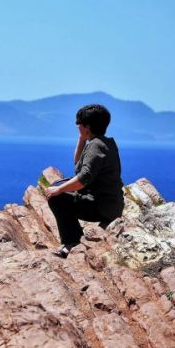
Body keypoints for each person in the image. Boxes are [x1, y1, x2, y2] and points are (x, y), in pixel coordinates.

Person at [44, 104, 124, 258]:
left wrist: (59, 190)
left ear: (87, 126)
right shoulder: (103, 142)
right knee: (58, 186)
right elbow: (78, 165)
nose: (76, 126)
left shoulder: (96, 146)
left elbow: (83, 178)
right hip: (110, 202)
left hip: (103, 207)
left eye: (78, 123)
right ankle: (73, 238)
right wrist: (82, 138)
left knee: (56, 196)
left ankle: (71, 242)